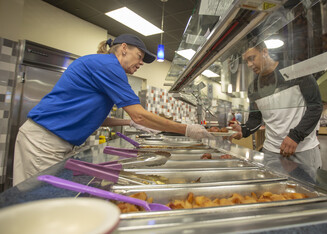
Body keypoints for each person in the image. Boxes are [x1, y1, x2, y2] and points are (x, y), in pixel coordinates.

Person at [13, 34, 212, 186]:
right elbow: (140, 114)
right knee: (38, 202)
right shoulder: (109, 66)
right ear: (123, 48)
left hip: (50, 141)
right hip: (42, 143)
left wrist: (128, 122)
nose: (141, 63)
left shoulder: (105, 66)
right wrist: (186, 129)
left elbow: (97, 118)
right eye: (140, 56)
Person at [229, 41, 323, 176]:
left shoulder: (296, 71)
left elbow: (316, 106)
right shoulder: (253, 88)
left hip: (302, 149)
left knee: (307, 192)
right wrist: (244, 130)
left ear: (265, 52)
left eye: (252, 58)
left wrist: (296, 136)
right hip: (271, 151)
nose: (249, 65)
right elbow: (255, 119)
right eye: (246, 61)